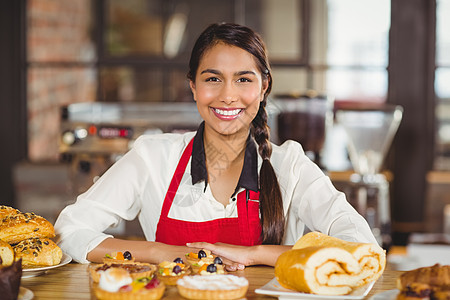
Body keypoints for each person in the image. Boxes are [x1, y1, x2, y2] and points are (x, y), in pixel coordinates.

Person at [54, 22, 378, 271]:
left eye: (243, 79)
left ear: (264, 87)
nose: (227, 95)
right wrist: (157, 250)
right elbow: (69, 231)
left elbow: (364, 249)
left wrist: (256, 254)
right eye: (212, 79)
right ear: (193, 86)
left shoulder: (289, 165)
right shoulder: (153, 157)